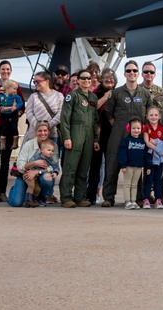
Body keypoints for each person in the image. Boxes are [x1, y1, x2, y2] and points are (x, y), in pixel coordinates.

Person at [101, 60, 152, 206]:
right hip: (118, 135)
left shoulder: (145, 94)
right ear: (124, 74)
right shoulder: (116, 93)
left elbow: (149, 113)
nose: (132, 73)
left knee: (137, 167)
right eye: (129, 70)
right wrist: (119, 127)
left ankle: (139, 198)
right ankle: (108, 197)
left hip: (137, 137)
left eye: (135, 71)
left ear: (138, 73)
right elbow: (108, 112)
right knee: (112, 166)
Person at [59, 69, 101, 208]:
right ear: (78, 80)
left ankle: (80, 197)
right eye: (83, 78)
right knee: (70, 167)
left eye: (89, 78)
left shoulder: (93, 98)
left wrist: (95, 139)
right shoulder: (72, 96)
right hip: (75, 134)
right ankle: (66, 197)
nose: (86, 80)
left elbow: (95, 121)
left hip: (88, 137)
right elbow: (64, 118)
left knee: (83, 169)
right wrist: (67, 137)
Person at [0, 61, 22, 202]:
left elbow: (22, 104)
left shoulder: (15, 86)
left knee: (6, 161)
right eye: (3, 69)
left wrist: (17, 113)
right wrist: (5, 111)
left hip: (8, 127)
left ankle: (2, 192)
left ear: (11, 71)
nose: (5, 71)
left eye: (8, 69)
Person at [8, 121, 57, 207]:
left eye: (45, 131)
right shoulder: (28, 145)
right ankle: (14, 190)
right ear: (36, 132)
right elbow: (20, 166)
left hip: (40, 175)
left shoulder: (53, 146)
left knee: (47, 178)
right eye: (40, 131)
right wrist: (34, 163)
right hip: (26, 175)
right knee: (16, 202)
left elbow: (54, 166)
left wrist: (37, 172)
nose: (43, 133)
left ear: (49, 132)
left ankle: (40, 198)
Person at [87, 69, 116, 203]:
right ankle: (91, 196)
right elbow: (92, 108)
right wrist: (105, 97)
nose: (109, 80)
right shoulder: (95, 94)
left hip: (112, 133)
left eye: (111, 78)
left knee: (111, 167)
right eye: (106, 78)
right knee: (95, 166)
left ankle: (108, 197)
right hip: (98, 133)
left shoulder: (118, 93)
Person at [24, 71, 64, 143]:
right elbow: (29, 112)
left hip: (52, 135)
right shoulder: (33, 97)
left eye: (38, 81)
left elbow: (61, 113)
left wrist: (48, 126)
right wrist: (38, 126)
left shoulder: (59, 96)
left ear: (46, 81)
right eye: (34, 82)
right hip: (34, 135)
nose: (36, 84)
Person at [117, 118, 149, 209]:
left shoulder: (142, 141)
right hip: (128, 166)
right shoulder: (126, 141)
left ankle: (133, 201)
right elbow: (122, 153)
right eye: (134, 128)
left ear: (141, 129)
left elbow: (146, 155)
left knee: (135, 185)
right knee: (127, 184)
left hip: (138, 166)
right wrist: (122, 165)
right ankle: (127, 201)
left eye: (138, 128)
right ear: (129, 129)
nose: (136, 130)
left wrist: (148, 166)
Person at [142, 106, 163, 208]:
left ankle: (158, 199)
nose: (154, 117)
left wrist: (157, 144)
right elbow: (147, 142)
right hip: (150, 158)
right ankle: (146, 199)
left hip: (160, 160)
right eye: (151, 115)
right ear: (147, 117)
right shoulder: (146, 128)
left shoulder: (162, 129)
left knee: (158, 180)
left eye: (156, 115)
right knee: (149, 179)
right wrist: (158, 149)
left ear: (160, 117)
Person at [0, 79, 24, 150]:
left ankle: (15, 142)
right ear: (8, 88)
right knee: (4, 128)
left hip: (13, 113)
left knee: (14, 127)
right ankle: (2, 144)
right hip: (5, 114)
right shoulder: (1, 96)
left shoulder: (16, 96)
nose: (15, 91)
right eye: (14, 89)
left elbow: (21, 103)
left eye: (16, 89)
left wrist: (16, 107)